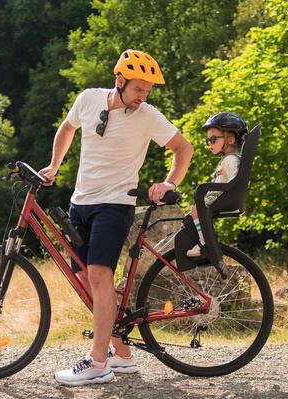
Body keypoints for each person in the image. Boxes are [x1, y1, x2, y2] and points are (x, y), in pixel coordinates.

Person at [39, 49, 193, 386]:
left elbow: (185, 149)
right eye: (139, 89)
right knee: (82, 278)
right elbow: (67, 129)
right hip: (80, 203)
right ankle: (121, 354)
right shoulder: (89, 99)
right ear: (119, 81)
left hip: (116, 205)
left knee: (98, 273)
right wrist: (54, 165)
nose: (143, 97)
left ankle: (97, 362)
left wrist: (169, 182)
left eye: (148, 91)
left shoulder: (148, 116)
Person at [187, 112, 248, 257]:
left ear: (231, 139)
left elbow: (236, 180)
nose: (209, 144)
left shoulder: (231, 160)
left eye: (213, 139)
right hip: (218, 197)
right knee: (190, 217)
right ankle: (202, 241)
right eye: (207, 141)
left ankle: (204, 243)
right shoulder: (228, 159)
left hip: (220, 198)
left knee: (196, 210)